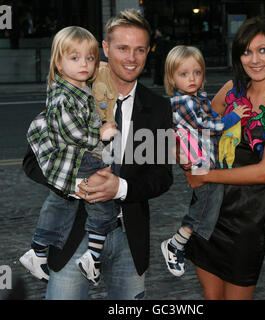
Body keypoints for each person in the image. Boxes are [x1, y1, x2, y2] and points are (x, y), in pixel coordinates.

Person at [22, 9, 173, 300]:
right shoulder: (73, 93)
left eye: (140, 50)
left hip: (130, 238)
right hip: (72, 235)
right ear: (105, 48)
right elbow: (33, 159)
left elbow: (162, 177)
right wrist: (73, 184)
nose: (131, 58)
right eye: (123, 48)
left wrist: (121, 187)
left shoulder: (158, 108)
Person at [183, 16, 265, 300]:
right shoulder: (231, 88)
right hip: (207, 209)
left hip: (245, 219)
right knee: (211, 297)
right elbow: (203, 133)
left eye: (263, 50)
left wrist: (204, 175)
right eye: (246, 51)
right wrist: (187, 154)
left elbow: (264, 172)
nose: (254, 59)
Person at [19, 26, 120, 286]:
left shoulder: (80, 88)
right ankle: (92, 255)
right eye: (74, 58)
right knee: (101, 197)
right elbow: (72, 133)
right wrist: (102, 133)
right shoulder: (64, 95)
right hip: (76, 157)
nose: (84, 64)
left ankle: (38, 250)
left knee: (62, 201)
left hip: (76, 158)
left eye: (89, 58)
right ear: (58, 63)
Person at [160, 45, 249, 277]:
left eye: (197, 73)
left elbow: (211, 117)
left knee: (211, 200)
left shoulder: (197, 97)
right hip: (198, 160)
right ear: (172, 77)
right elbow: (209, 125)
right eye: (184, 74)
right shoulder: (185, 102)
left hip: (205, 158)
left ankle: (186, 240)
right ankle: (178, 242)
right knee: (207, 200)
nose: (192, 78)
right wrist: (233, 117)